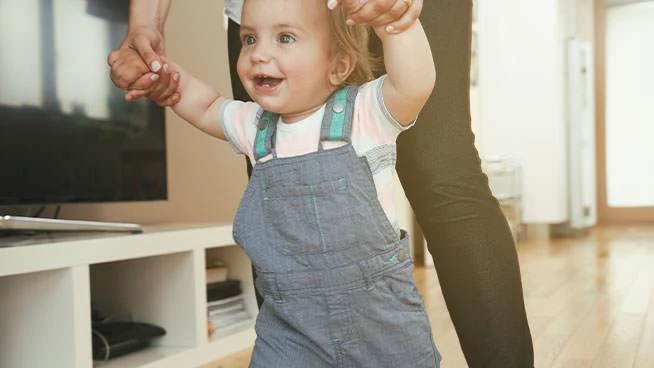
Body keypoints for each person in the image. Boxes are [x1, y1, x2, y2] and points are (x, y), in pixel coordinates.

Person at [109, 0, 535, 367]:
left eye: (284, 40)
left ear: (340, 65)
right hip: (289, 327)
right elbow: (203, 105)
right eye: (249, 39)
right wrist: (164, 74)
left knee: (445, 173)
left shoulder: (367, 114)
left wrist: (397, 24)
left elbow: (414, 83)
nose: (258, 55)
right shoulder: (253, 125)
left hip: (382, 322)